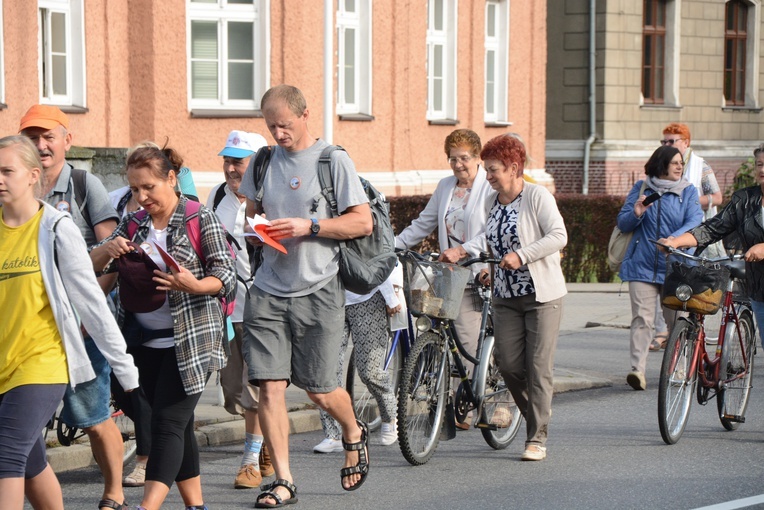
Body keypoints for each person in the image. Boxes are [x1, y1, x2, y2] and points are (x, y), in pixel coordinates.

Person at [239, 84, 373, 507]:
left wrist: (309, 226)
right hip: (268, 290)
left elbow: (362, 223)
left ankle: (352, 430)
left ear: (304, 114)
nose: (278, 134)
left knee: (319, 389)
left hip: (319, 289)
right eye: (270, 126)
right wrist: (259, 230)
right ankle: (283, 480)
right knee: (270, 388)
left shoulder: (333, 161)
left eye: (284, 125)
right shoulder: (261, 163)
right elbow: (251, 210)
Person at [90, 146, 236, 510]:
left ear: (171, 179)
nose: (142, 197)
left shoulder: (199, 218)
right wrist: (109, 248)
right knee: (177, 427)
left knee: (167, 423)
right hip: (141, 342)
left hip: (190, 344)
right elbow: (94, 270)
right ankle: (196, 505)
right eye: (135, 188)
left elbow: (227, 276)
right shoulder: (135, 222)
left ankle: (147, 506)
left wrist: (195, 285)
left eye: (149, 187)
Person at [0, 135, 139, 510]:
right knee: (28, 459)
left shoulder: (54, 228)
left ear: (32, 176)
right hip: (3, 361)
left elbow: (92, 303)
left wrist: (125, 370)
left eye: (6, 171)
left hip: (41, 363)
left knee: (7, 455)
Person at [395, 129, 492, 428]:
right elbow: (423, 223)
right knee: (439, 333)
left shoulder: (489, 187)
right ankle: (452, 402)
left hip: (477, 269)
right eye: (453, 159)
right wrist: (392, 247)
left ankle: (483, 399)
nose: (458, 165)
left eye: (464, 158)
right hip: (446, 272)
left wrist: (465, 249)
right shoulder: (446, 186)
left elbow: (494, 230)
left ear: (477, 158)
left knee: (466, 338)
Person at [480, 134, 567, 462]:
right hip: (505, 295)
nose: (488, 176)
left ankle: (537, 438)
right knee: (509, 364)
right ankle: (539, 413)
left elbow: (559, 236)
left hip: (541, 296)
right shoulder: (491, 200)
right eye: (486, 170)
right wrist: (490, 262)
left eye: (493, 170)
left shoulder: (537, 197)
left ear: (514, 168)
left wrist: (522, 256)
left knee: (538, 366)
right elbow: (490, 236)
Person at [207, 129, 275, 489]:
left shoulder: (269, 198)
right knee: (232, 389)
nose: (232, 168)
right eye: (228, 160)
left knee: (259, 385)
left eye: (240, 161)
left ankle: (249, 460)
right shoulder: (217, 196)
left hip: (262, 304)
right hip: (226, 307)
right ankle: (261, 444)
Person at [617, 145, 703, 391]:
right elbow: (623, 223)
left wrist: (672, 241)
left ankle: (678, 367)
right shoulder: (642, 188)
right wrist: (637, 213)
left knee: (675, 319)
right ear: (661, 164)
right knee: (642, 319)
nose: (680, 167)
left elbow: (695, 221)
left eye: (681, 163)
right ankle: (637, 371)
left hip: (675, 265)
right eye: (675, 162)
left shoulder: (687, 191)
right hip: (641, 265)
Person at [661, 143, 764, 346]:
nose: (762, 170)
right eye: (759, 164)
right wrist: (676, 241)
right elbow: (711, 229)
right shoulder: (744, 200)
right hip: (758, 286)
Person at [315, 271, 403, 452]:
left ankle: (389, 417)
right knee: (325, 370)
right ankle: (333, 434)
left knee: (369, 371)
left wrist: (390, 296)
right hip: (329, 299)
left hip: (367, 298)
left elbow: (379, 256)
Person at [661, 123, 724, 257]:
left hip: (698, 233)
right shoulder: (660, 167)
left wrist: (687, 202)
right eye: (664, 141)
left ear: (686, 143)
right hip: (669, 233)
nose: (667, 145)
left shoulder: (700, 165)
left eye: (672, 141)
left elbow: (717, 198)